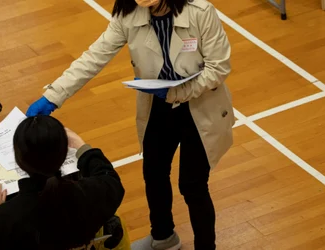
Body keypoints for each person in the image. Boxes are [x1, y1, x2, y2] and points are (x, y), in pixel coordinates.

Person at [26, 0, 234, 249]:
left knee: (192, 185)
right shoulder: (128, 15)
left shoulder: (200, 11)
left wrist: (178, 92)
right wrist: (52, 96)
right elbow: (93, 57)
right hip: (158, 105)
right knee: (154, 173)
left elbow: (219, 67)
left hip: (200, 108)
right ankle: (164, 237)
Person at [0, 116, 125, 250]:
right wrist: (80, 144)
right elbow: (109, 177)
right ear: (65, 153)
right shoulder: (89, 195)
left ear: (18, 158)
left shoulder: (3, 218)